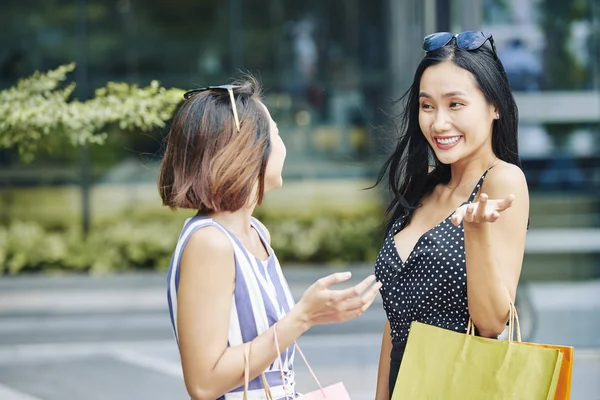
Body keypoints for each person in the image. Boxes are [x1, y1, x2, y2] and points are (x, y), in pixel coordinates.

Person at [159, 77, 381, 400]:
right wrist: (303, 317)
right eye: (276, 133)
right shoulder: (210, 243)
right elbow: (203, 383)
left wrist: (310, 315)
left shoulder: (256, 233)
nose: (283, 144)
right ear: (248, 150)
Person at [372, 31, 530, 400]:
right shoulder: (423, 185)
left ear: (496, 107)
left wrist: (476, 231)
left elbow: (492, 323)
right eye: (427, 106)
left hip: (461, 386)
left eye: (455, 104)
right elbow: (396, 318)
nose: (439, 123)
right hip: (404, 385)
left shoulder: (503, 181)